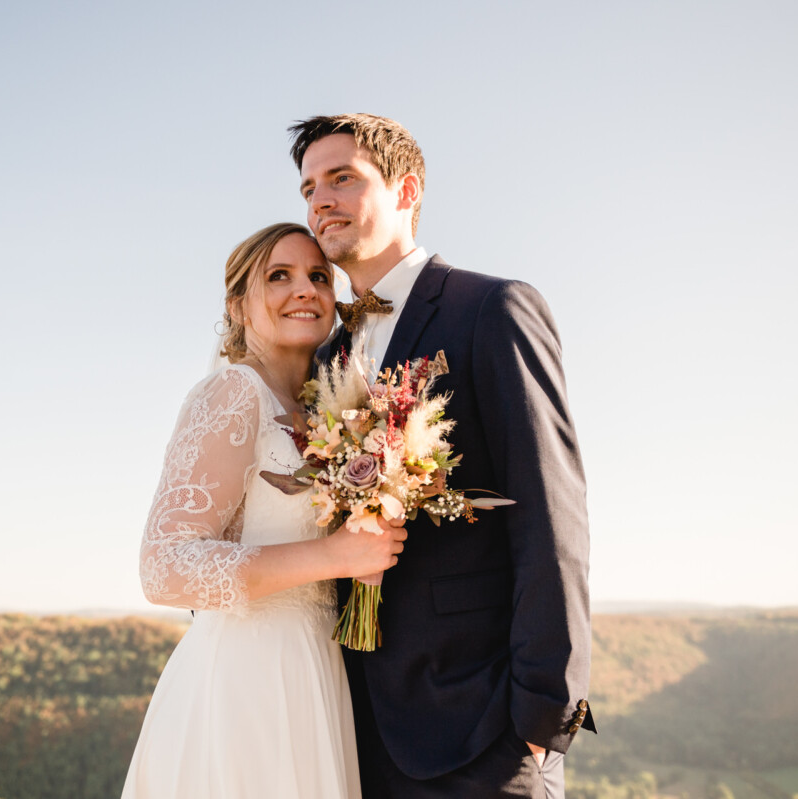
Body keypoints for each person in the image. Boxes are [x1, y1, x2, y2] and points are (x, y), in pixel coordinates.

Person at [290, 114, 595, 799]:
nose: (320, 201)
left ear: (407, 190)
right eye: (309, 188)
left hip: (481, 726)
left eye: (342, 178)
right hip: (348, 729)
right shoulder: (324, 353)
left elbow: (553, 517)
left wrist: (544, 721)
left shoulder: (492, 308)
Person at [120, 222, 407, 799]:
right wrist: (333, 555)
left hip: (317, 669)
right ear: (237, 306)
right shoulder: (231, 394)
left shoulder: (329, 415)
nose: (305, 289)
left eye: (318, 276)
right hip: (245, 680)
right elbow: (165, 566)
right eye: (279, 276)